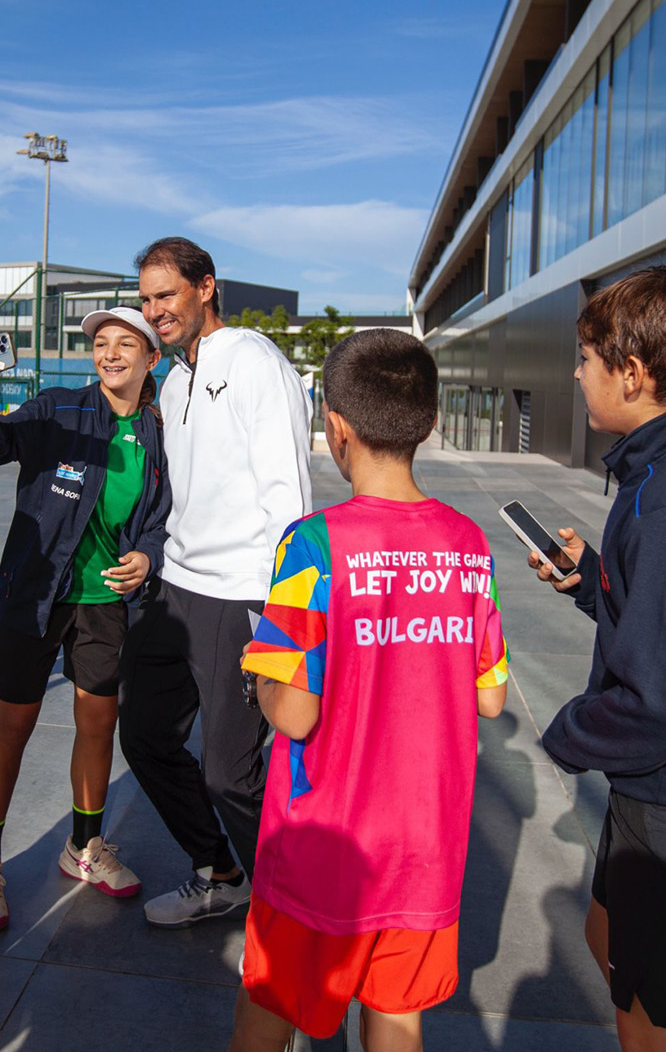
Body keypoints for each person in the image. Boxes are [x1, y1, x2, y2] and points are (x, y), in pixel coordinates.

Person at [230, 328, 508, 1052]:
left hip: (322, 846)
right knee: (396, 1018)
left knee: (271, 1006)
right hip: (425, 847)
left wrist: (259, 673)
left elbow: (295, 714)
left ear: (337, 427)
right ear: (430, 422)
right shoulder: (468, 544)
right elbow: (490, 696)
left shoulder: (311, 545)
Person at [0, 307, 169, 934]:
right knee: (13, 723)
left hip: (105, 601)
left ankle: (84, 846)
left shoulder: (159, 429)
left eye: (126, 344)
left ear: (152, 358)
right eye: (101, 342)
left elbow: (160, 514)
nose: (110, 352)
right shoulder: (58, 408)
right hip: (35, 593)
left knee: (98, 722)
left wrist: (148, 554)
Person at [118, 237, 313, 928]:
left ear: (206, 287)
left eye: (166, 295)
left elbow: (289, 495)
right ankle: (221, 873)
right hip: (176, 589)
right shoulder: (173, 379)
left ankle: (295, 916)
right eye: (146, 299)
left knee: (230, 774)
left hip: (243, 592)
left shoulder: (256, 361)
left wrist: (285, 611)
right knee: (144, 736)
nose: (154, 311)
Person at [528, 268, 666, 1052]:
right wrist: (594, 582)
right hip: (642, 795)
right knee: (605, 940)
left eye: (586, 359)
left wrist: (564, 735)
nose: (577, 375)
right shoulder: (645, 476)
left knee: (640, 1006)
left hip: (657, 799)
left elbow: (654, 702)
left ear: (633, 373)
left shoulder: (657, 499)